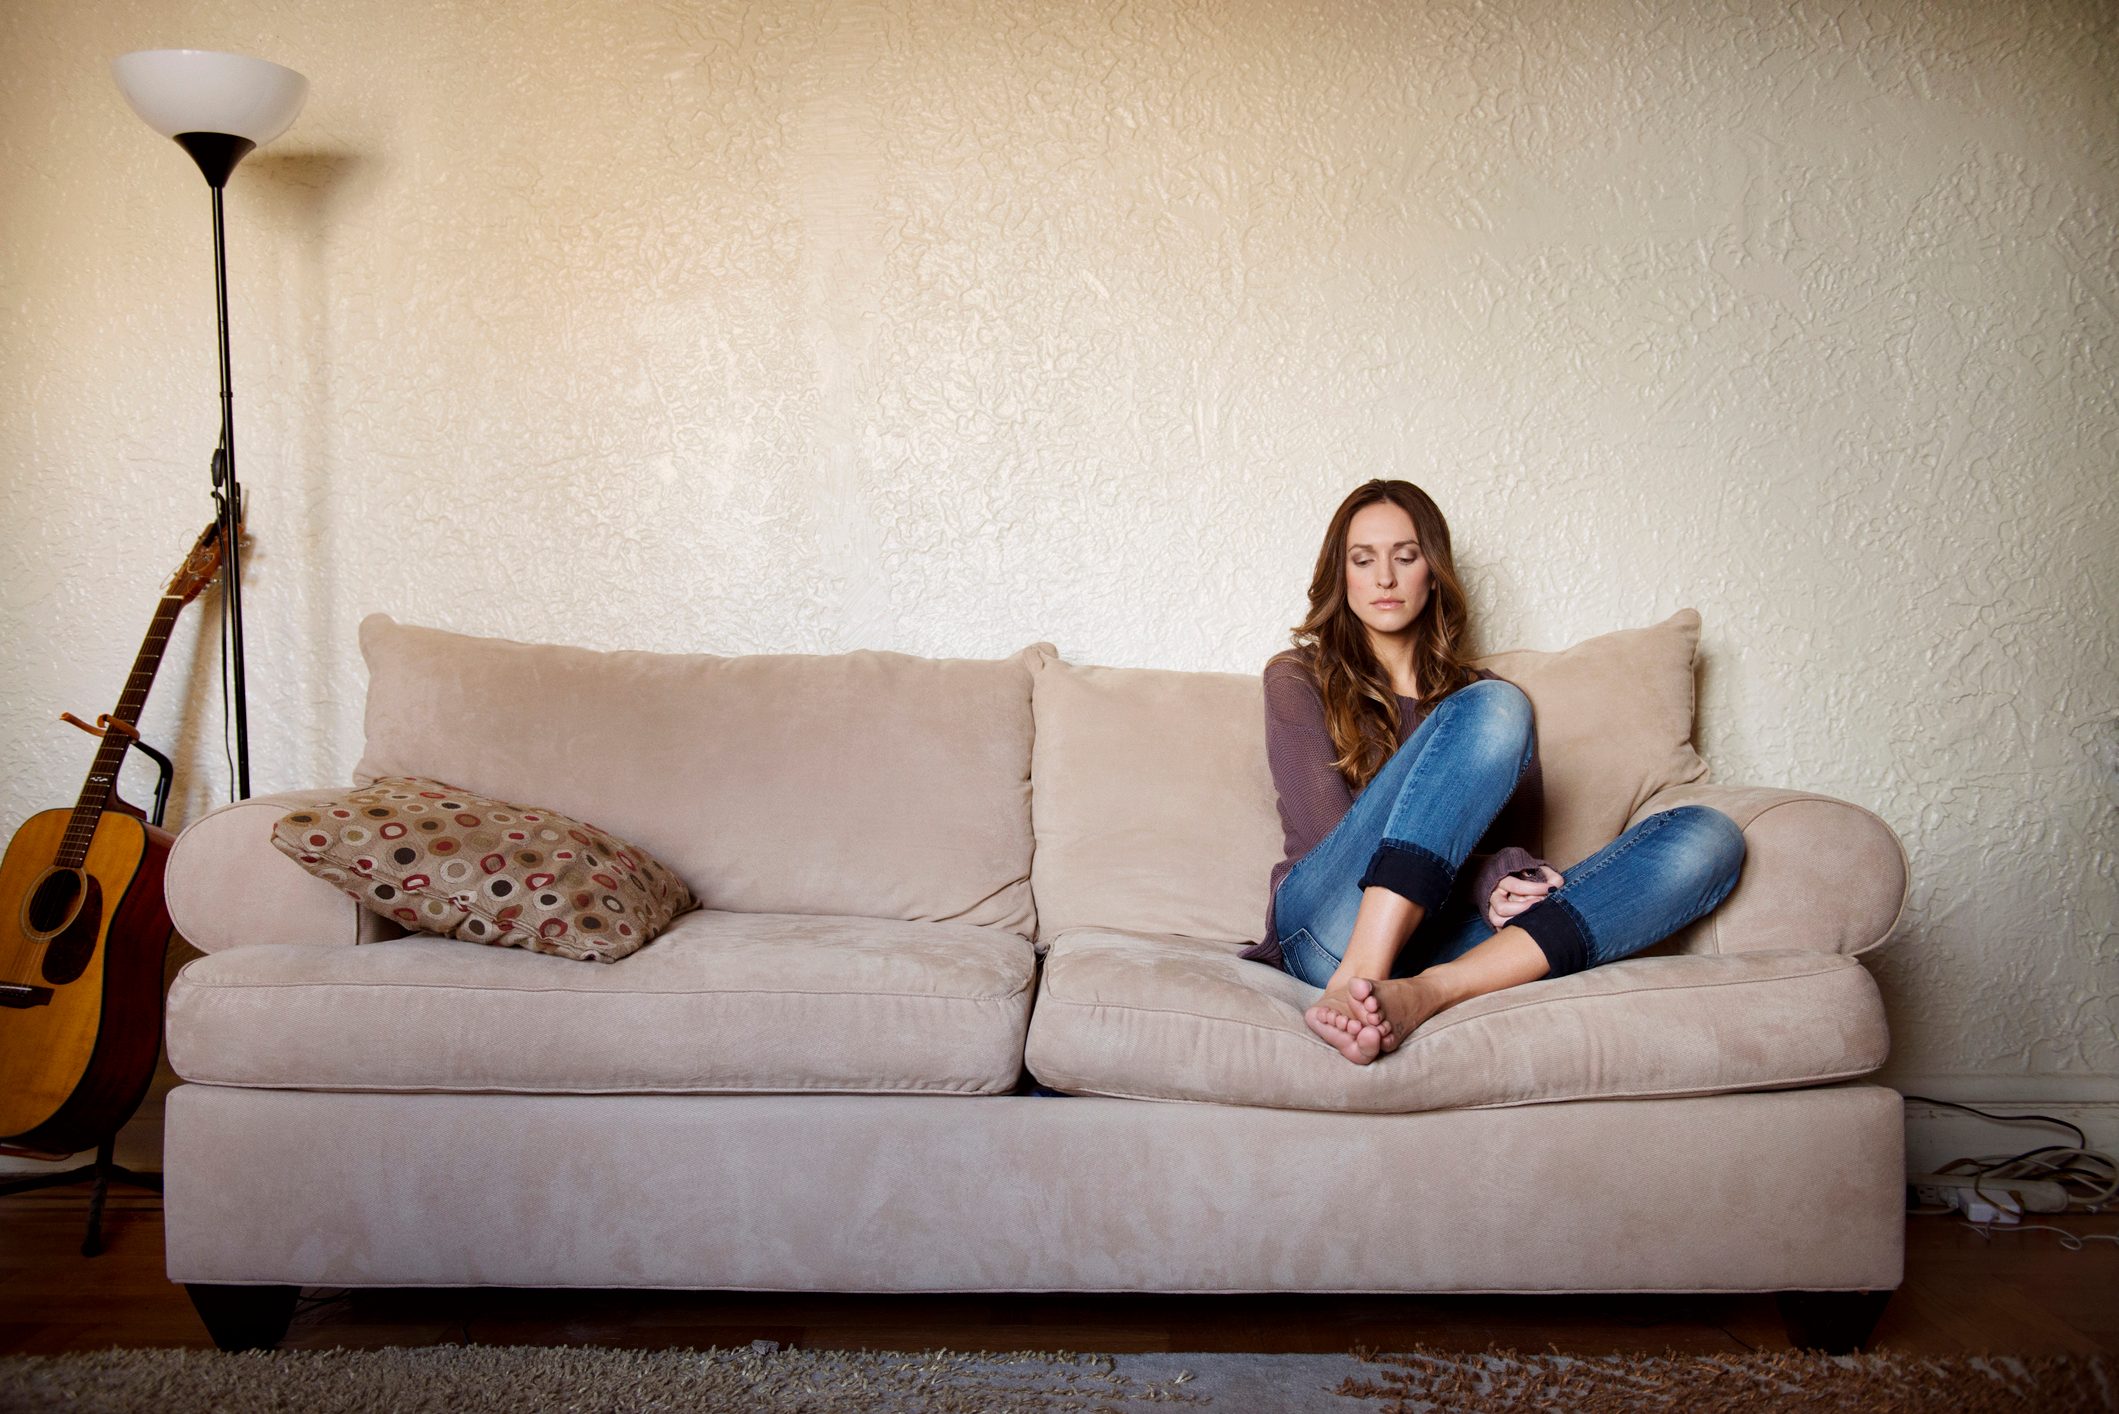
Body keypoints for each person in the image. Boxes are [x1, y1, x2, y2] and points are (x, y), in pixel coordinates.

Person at [1239, 479, 1747, 1065]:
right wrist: (1486, 878)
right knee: (1495, 709)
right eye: (1363, 560)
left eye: (1405, 557)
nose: (1384, 578)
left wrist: (1514, 883)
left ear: (1434, 573)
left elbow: (1512, 851)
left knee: (1709, 837)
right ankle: (1358, 977)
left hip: (1440, 947)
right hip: (1326, 931)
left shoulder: (1485, 699)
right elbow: (1328, 838)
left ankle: (1423, 994)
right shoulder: (1299, 677)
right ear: (1341, 576)